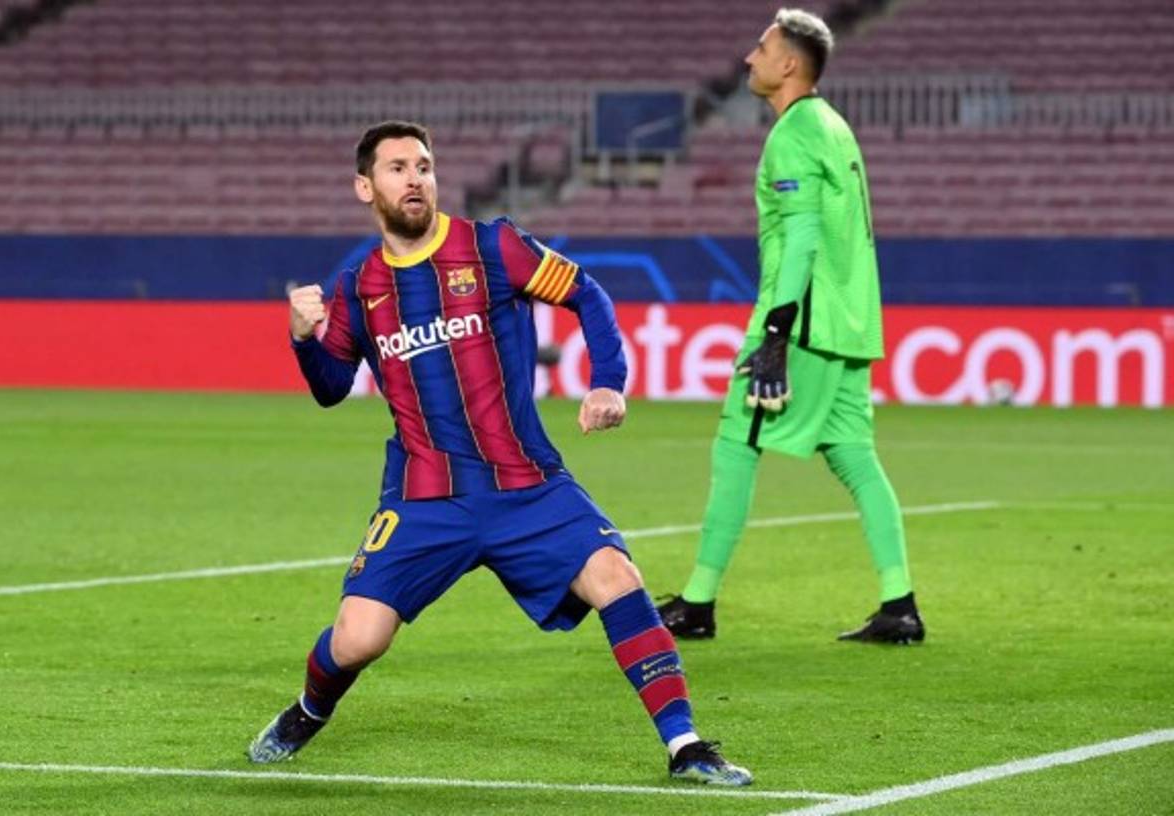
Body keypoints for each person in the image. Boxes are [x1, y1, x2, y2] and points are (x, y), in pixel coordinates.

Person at [246, 120, 752, 786]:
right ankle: (308, 711)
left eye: (423, 165)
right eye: (397, 168)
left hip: (527, 484)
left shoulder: (495, 247)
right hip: (427, 496)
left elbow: (586, 294)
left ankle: (686, 746)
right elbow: (331, 390)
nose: (414, 178)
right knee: (358, 640)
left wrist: (608, 380)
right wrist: (303, 340)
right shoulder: (356, 288)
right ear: (365, 187)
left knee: (619, 580)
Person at [657, 9, 924, 645]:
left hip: (801, 323)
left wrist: (776, 333)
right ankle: (900, 604)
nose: (750, 58)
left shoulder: (793, 134)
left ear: (788, 65)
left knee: (735, 443)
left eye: (762, 47)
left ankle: (698, 602)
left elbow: (802, 234)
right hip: (850, 322)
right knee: (858, 459)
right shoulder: (834, 126)